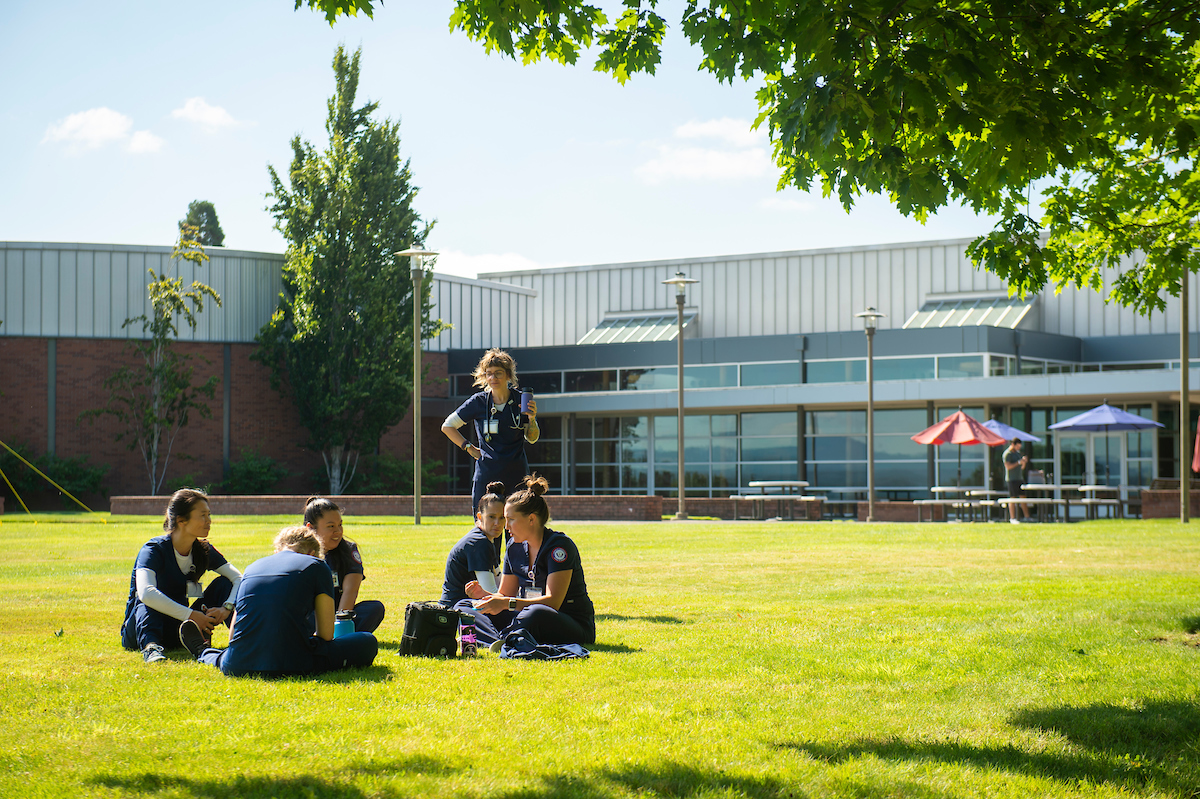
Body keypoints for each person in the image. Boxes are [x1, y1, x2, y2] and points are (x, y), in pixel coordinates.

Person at [180, 526, 378, 677]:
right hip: (294, 663)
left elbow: (233, 636)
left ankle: (205, 653)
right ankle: (206, 652)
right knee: (366, 641)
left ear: (278, 550)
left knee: (228, 655)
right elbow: (325, 635)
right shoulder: (317, 565)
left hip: (237, 663)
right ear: (312, 553)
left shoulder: (252, 567)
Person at [471, 474, 595, 647]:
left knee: (535, 612)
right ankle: (501, 640)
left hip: (565, 621)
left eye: (511, 520)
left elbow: (553, 602)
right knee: (467, 605)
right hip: (524, 615)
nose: (506, 527)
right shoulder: (514, 547)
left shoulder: (559, 547)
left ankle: (501, 638)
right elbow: (504, 595)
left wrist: (506, 603)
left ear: (531, 519)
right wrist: (485, 597)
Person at [120, 489, 242, 664]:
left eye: (209, 515)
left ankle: (241, 640)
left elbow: (238, 579)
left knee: (223, 583)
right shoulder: (153, 549)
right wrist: (191, 614)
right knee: (148, 594)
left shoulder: (204, 550)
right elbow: (146, 593)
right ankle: (151, 647)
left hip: (180, 629)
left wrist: (226, 608)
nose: (209, 521)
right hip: (139, 630)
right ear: (181, 520)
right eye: (202, 515)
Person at [441, 348, 540, 519]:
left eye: (498, 373)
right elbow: (448, 426)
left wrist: (532, 419)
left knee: (517, 534)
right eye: (489, 374)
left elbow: (532, 438)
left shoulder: (520, 400)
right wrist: (468, 448)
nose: (493, 378)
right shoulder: (478, 402)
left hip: (517, 477)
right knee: (486, 532)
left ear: (508, 375)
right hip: (486, 477)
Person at [303, 497, 385, 633]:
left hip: (339, 613)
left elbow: (350, 591)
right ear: (311, 528)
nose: (338, 531)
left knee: (374, 609)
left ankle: (341, 637)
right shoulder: (299, 553)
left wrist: (339, 625)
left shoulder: (349, 550)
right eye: (331, 526)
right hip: (310, 614)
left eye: (340, 525)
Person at [441, 482, 505, 620]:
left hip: (465, 607)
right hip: (457, 613)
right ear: (480, 517)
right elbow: (492, 593)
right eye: (491, 517)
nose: (497, 523)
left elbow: (499, 583)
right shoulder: (479, 543)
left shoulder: (485, 539)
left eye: (502, 517)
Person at [1003, 437, 1032, 523]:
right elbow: (1008, 467)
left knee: (1023, 498)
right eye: (1017, 446)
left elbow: (1022, 468)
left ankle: (1027, 517)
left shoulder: (1018, 453)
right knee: (1013, 498)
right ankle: (1012, 518)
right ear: (1013, 444)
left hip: (1020, 478)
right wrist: (1018, 462)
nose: (1019, 448)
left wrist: (1023, 462)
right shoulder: (1007, 454)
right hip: (1011, 479)